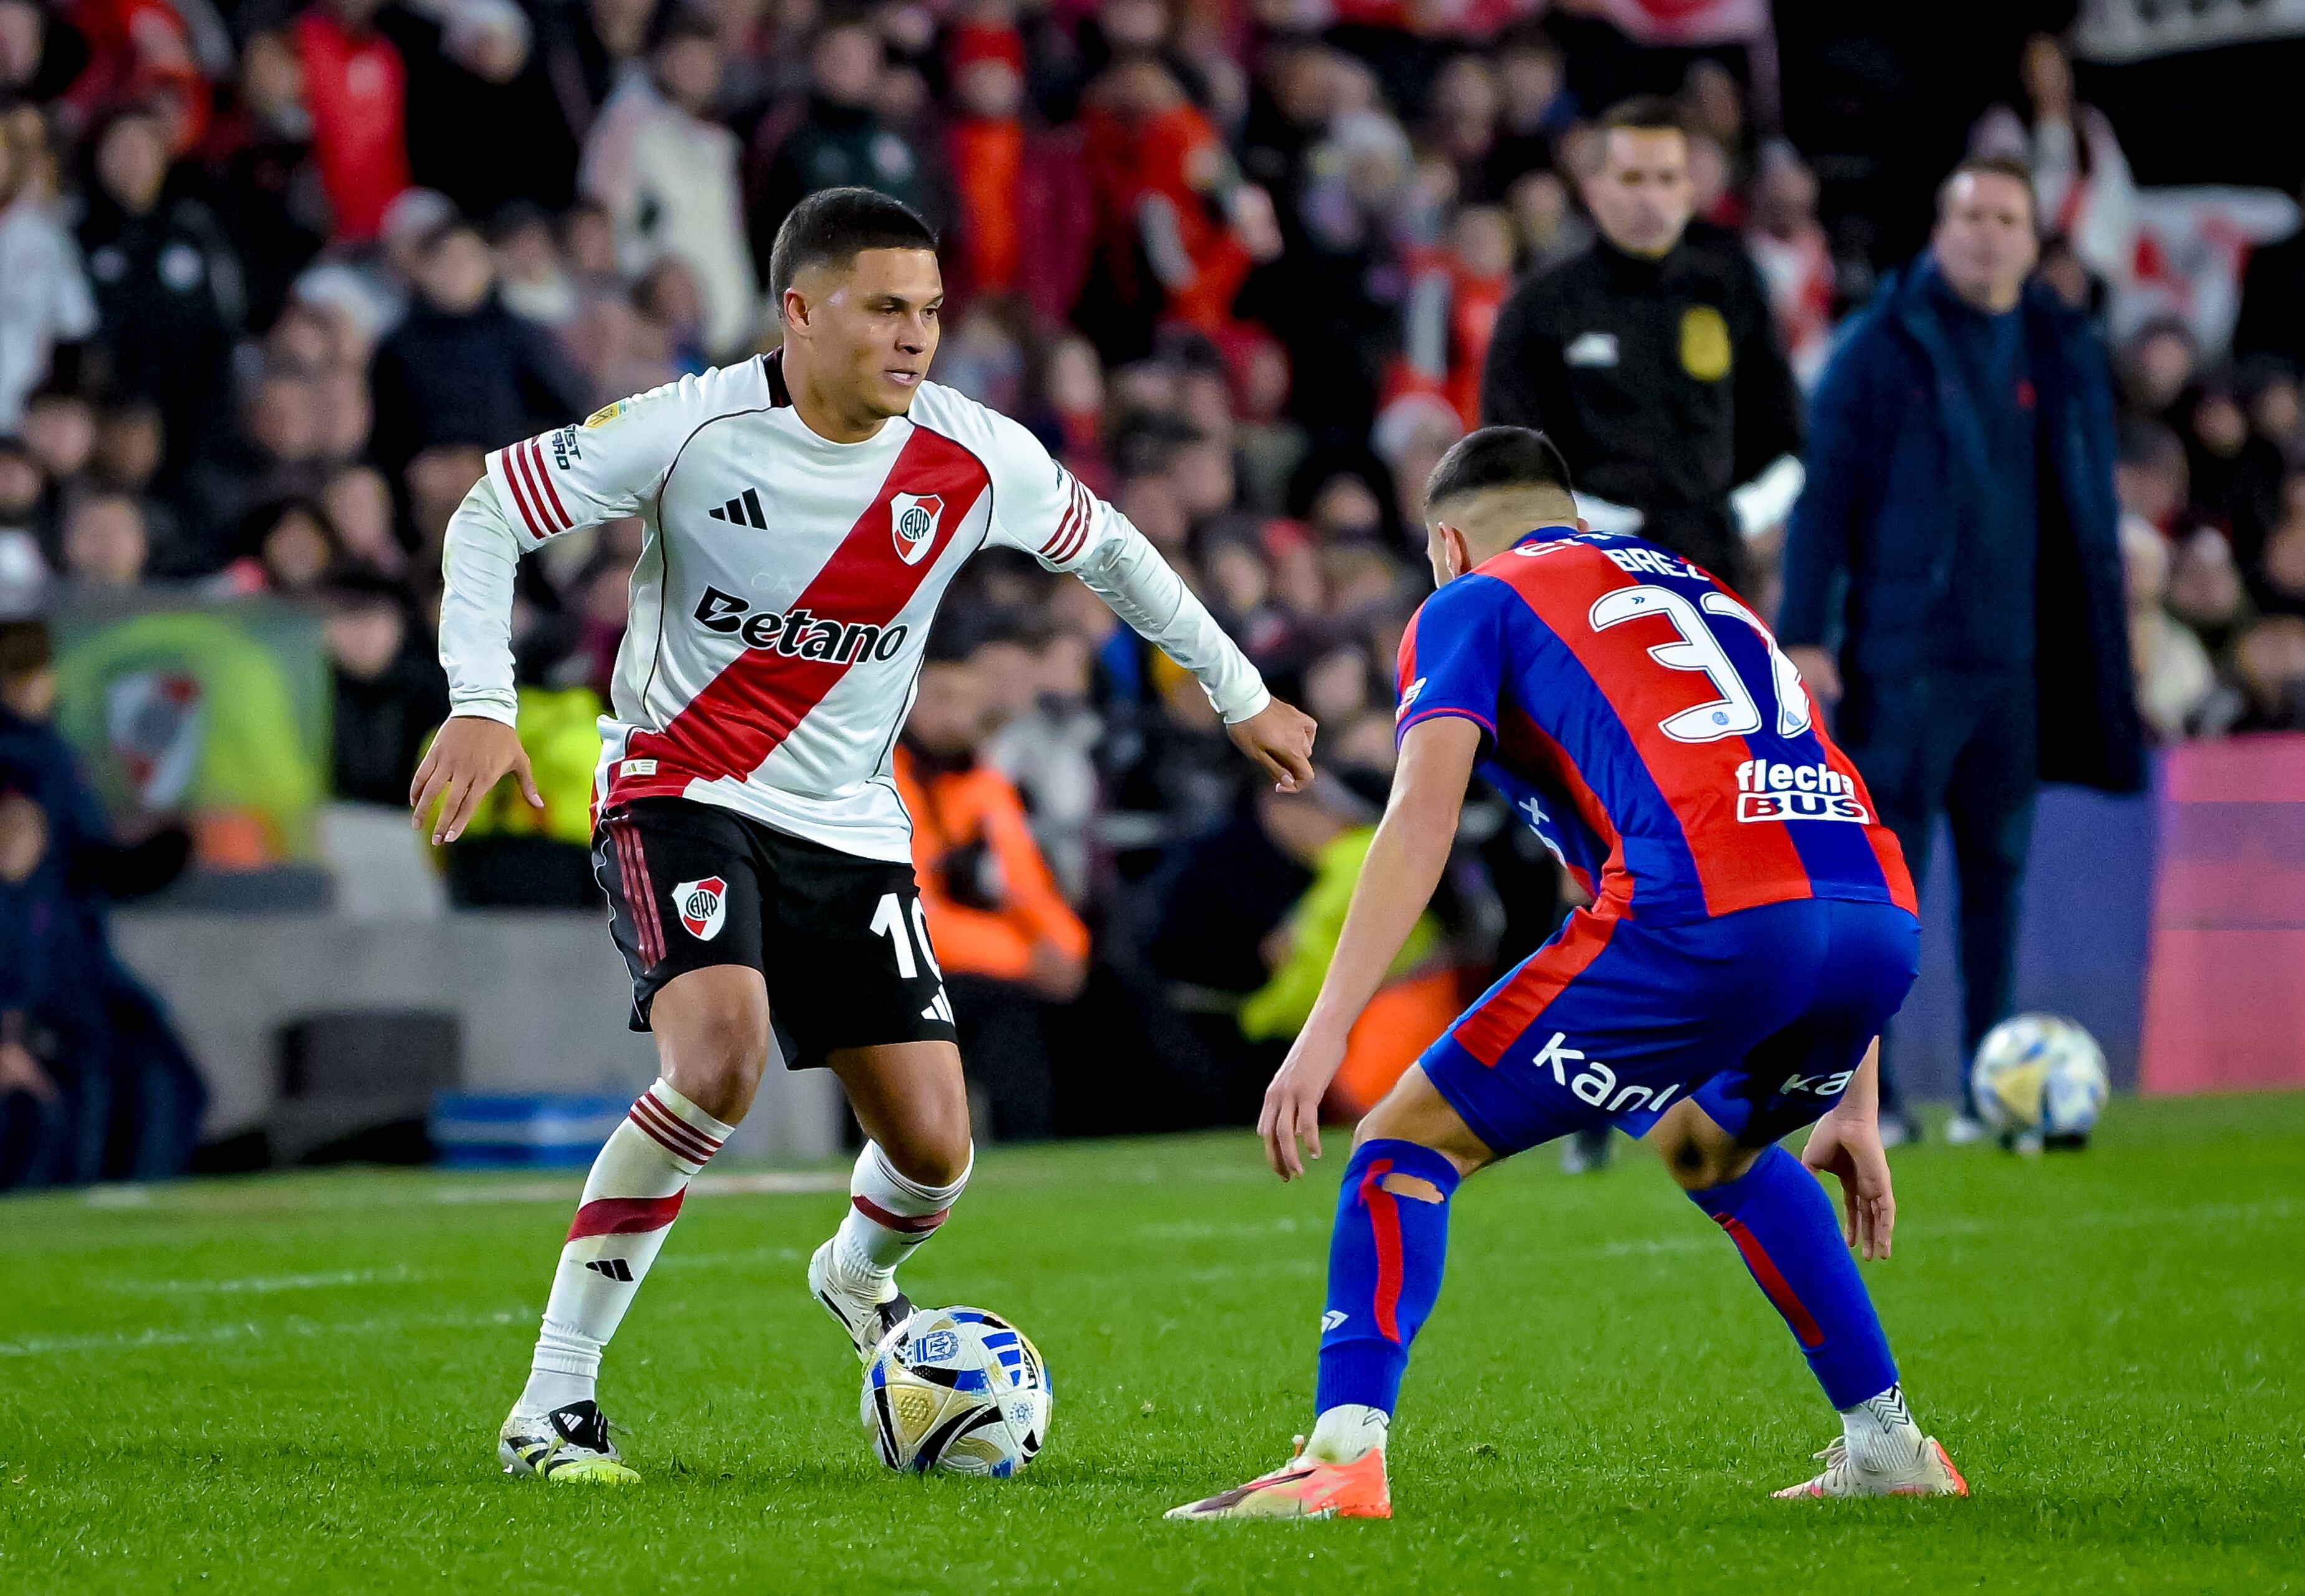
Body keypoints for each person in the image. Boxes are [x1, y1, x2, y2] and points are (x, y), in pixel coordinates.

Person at [413, 188, 1316, 1484]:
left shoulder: (970, 453)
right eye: (886, 307)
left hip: (849, 826)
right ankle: (553, 1402)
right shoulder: (691, 430)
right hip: (680, 791)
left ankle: (851, 1272)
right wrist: (481, 702)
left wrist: (1239, 694)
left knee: (936, 1151)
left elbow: (1111, 549)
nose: (915, 337)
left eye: (931, 311)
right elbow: (492, 506)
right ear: (799, 309)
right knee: (716, 1064)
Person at [1170, 427, 1964, 1522]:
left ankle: (1341, 1460)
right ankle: (1889, 1443)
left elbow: (1420, 819)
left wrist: (1326, 1028)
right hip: (1876, 913)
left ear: (1448, 542)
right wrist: (1856, 1100)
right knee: (1709, 1140)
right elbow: (1802, 796)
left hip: (1708, 911)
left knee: (1403, 1140)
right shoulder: (1705, 591)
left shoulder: (1471, 603)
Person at [1778, 156, 2144, 1145]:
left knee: (1999, 877)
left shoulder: (2059, 345)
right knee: (1886, 888)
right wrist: (1807, 631)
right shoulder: (1879, 347)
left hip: (2015, 665)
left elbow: (2090, 505)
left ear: (2033, 240)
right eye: (1969, 213)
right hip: (1903, 662)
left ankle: (1993, 1084)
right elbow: (1824, 503)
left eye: (2006, 217)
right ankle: (1871, 1096)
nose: (1986, 232)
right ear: (1940, 229)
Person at [1479, 97, 1804, 599]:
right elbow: (1508, 459)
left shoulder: (1731, 291)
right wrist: (1591, 526)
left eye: (1667, 179)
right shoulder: (1541, 308)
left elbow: (1787, 435)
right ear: (1592, 190)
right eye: (1632, 180)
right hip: (1589, 576)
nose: (1650, 198)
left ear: (1688, 190)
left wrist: (1747, 515)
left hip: (1717, 571)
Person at [893, 643, 1089, 1142]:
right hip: (900, 963)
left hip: (988, 960)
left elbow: (1027, 888)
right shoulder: (889, 781)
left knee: (1113, 989)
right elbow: (914, 911)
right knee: (1006, 1012)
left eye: (966, 701)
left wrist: (1065, 949)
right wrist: (1027, 959)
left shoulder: (985, 785)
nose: (956, 715)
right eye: (940, 699)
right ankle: (1027, 1155)